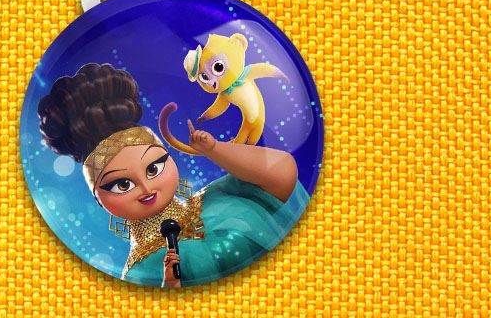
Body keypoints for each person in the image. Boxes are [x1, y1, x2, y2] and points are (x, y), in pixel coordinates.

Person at [37, 62, 309, 288]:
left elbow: (282, 171)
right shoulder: (142, 272)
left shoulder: (223, 198)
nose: (146, 188)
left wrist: (215, 150)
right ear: (99, 198)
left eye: (153, 168)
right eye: (123, 185)